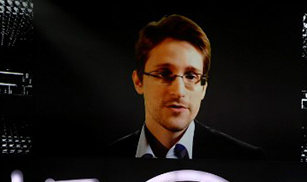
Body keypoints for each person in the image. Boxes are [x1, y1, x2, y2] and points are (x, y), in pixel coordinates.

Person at [106, 14, 264, 160]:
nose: (178, 92)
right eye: (164, 74)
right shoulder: (102, 160)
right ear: (138, 82)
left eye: (191, 76)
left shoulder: (246, 161)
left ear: (203, 88)